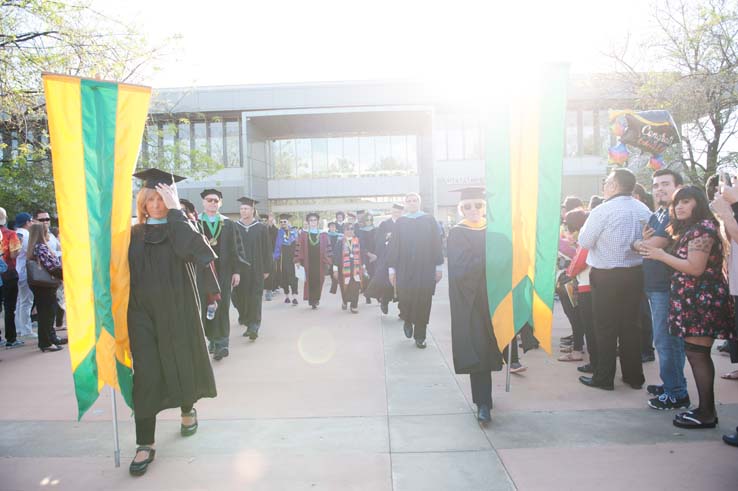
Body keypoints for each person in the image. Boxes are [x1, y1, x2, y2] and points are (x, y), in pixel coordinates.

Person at [127, 169, 218, 476]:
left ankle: (187, 408)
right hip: (141, 314)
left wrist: (177, 211)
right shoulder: (132, 234)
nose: (155, 204)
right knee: (147, 373)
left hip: (178, 309)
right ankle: (144, 442)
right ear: (142, 202)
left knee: (181, 361)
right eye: (150, 198)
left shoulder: (182, 227)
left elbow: (199, 252)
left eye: (161, 198)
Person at [641, 186, 734, 428]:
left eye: (686, 201)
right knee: (695, 354)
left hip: (701, 301)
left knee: (698, 355)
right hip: (692, 300)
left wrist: (661, 255)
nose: (679, 207)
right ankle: (704, 410)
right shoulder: (690, 229)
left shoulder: (703, 228)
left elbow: (695, 267)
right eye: (676, 203)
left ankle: (706, 413)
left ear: (698, 203)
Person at [578, 168, 651, 391]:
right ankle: (634, 376)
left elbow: (585, 240)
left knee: (605, 327)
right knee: (631, 326)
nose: (604, 186)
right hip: (635, 273)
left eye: (607, 182)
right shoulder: (643, 208)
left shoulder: (603, 210)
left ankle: (604, 377)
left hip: (606, 276)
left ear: (615, 185)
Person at [631, 169, 689, 410]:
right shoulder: (658, 214)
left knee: (667, 341)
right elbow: (643, 245)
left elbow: (650, 245)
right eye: (655, 185)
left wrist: (639, 243)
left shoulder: (675, 216)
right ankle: (671, 385)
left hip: (668, 286)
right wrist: (640, 243)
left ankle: (676, 392)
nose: (659, 189)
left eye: (665, 184)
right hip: (654, 285)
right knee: (664, 340)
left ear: (678, 186)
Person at [447, 187, 503, 423]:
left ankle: (485, 398)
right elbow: (461, 268)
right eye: (467, 206)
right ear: (461, 209)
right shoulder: (457, 233)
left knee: (494, 347)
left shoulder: (497, 231)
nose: (473, 210)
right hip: (471, 300)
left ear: (484, 207)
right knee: (478, 348)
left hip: (496, 299)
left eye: (478, 205)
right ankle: (482, 402)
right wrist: (491, 259)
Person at [387, 193, 444, 349]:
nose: (412, 203)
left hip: (425, 267)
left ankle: (420, 335)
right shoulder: (400, 222)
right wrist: (391, 270)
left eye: (415, 200)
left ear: (420, 202)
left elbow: (436, 244)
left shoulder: (429, 220)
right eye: (409, 201)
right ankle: (406, 319)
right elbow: (394, 246)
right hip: (404, 268)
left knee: (424, 300)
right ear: (405, 204)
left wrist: (438, 267)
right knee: (405, 297)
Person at [198, 188, 244, 361]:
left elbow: (236, 249)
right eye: (209, 200)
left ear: (220, 203)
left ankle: (222, 343)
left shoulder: (228, 224)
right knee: (207, 306)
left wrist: (237, 271)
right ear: (203, 202)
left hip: (224, 272)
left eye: (216, 201)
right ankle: (212, 339)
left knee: (222, 307)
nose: (212, 203)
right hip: (203, 273)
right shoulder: (196, 223)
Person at [232, 197, 272, 340]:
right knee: (240, 297)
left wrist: (267, 268)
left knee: (255, 296)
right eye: (242, 208)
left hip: (257, 268)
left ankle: (254, 325)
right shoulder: (235, 226)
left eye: (246, 209)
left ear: (253, 210)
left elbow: (267, 249)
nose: (243, 211)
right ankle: (247, 320)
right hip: (240, 270)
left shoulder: (261, 228)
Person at [25, 223, 64, 352]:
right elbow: (51, 266)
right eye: (47, 232)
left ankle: (50, 339)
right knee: (47, 314)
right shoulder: (41, 247)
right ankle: (46, 342)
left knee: (46, 312)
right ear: (42, 234)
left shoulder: (34, 247)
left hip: (39, 285)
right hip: (45, 286)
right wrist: (65, 274)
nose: (49, 235)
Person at [559, 210, 590, 363]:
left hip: (577, 283)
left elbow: (578, 261)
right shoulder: (581, 240)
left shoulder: (583, 241)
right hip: (575, 282)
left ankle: (577, 350)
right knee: (574, 317)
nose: (566, 233)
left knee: (576, 317)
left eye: (569, 228)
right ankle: (577, 346)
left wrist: (569, 272)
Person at [366, 203, 404, 314]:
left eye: (399, 212)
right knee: (387, 282)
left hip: (402, 257)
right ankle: (384, 301)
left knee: (402, 283)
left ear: (402, 212)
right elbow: (377, 239)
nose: (397, 214)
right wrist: (386, 237)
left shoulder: (405, 223)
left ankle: (403, 310)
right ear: (391, 211)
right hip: (387, 257)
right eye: (395, 211)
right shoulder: (384, 224)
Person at [295, 212, 332, 309]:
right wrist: (298, 260)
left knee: (319, 280)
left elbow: (328, 249)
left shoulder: (323, 234)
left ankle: (316, 299)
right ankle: (312, 300)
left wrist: (328, 261)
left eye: (315, 220)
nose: (313, 222)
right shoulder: (304, 234)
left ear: (318, 221)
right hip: (308, 261)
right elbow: (299, 247)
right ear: (308, 222)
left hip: (320, 262)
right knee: (309, 280)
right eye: (311, 220)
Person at [0, 207, 23, 348]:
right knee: (9, 307)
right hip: (8, 273)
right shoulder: (10, 234)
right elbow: (14, 255)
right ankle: (11, 338)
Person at [332, 223, 364, 313]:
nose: (349, 231)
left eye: (351, 229)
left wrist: (364, 266)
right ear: (344, 231)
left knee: (355, 287)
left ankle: (354, 305)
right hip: (344, 270)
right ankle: (345, 301)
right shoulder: (340, 243)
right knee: (344, 287)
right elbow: (336, 257)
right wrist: (335, 270)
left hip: (356, 269)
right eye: (347, 229)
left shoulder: (359, 241)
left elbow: (362, 254)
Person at [14, 212, 36, 338]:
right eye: (31, 221)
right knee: (27, 301)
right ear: (27, 222)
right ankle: (26, 330)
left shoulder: (16, 233)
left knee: (19, 301)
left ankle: (19, 327)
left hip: (17, 270)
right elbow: (31, 252)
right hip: (25, 271)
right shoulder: (27, 235)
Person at [273, 214, 299, 305]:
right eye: (281, 222)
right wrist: (276, 256)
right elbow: (277, 245)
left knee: (293, 277)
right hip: (283, 258)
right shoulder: (279, 232)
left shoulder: (294, 231)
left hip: (292, 258)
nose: (283, 223)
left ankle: (295, 297)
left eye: (284, 221)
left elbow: (298, 244)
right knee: (284, 277)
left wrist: (298, 257)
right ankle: (287, 296)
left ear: (288, 222)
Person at [356, 211, 377, 304]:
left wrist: (376, 255)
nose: (369, 221)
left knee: (376, 276)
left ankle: (377, 296)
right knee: (366, 276)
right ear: (364, 220)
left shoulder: (376, 229)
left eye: (370, 219)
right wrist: (368, 254)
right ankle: (367, 295)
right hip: (365, 256)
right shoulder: (361, 231)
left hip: (376, 257)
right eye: (367, 219)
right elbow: (361, 245)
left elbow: (379, 243)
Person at [263, 214, 279, 301]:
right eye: (264, 221)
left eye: (268, 220)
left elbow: (275, 234)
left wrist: (271, 225)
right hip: (260, 253)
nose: (265, 222)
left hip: (270, 253)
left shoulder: (274, 230)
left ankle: (269, 291)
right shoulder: (259, 228)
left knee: (269, 272)